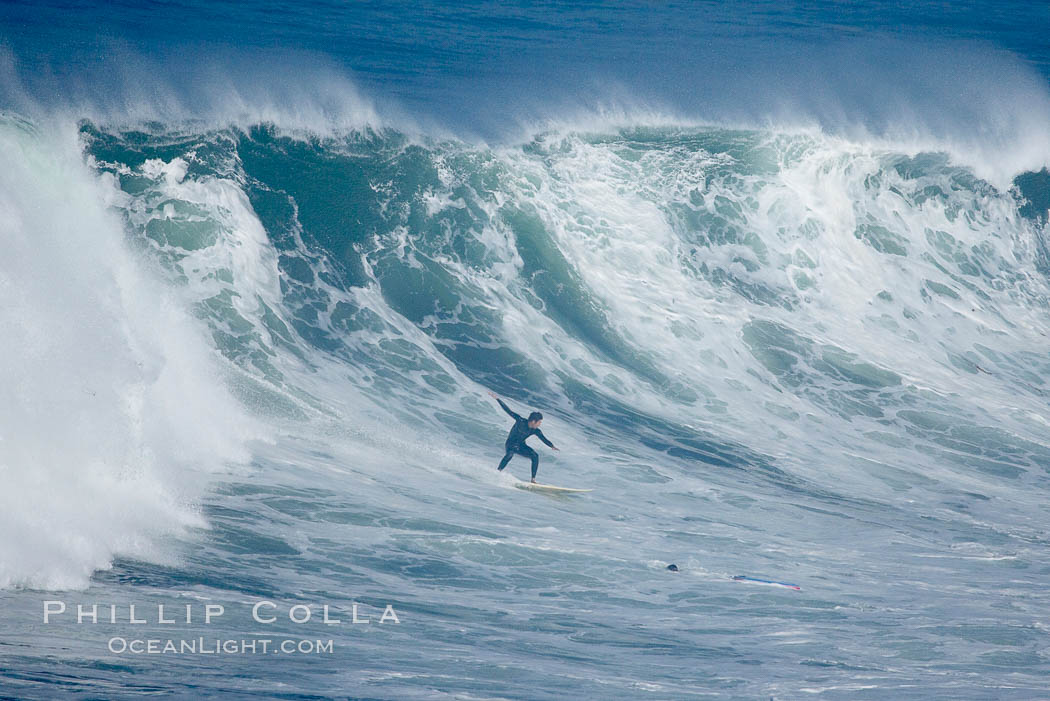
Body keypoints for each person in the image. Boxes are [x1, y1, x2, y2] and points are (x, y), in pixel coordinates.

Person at [489, 391, 558, 483]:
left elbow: (543, 438)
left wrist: (552, 446)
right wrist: (497, 399)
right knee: (510, 454)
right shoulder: (520, 421)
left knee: (535, 456)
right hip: (510, 444)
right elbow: (508, 411)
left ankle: (533, 479)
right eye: (539, 422)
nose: (540, 424)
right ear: (533, 421)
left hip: (521, 445)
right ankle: (498, 472)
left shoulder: (535, 430)